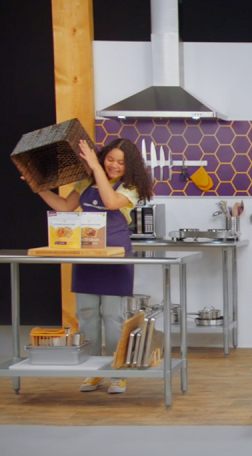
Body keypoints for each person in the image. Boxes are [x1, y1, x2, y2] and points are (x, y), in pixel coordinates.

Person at [37, 138, 153, 394]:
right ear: (103, 157)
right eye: (110, 159)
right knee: (87, 314)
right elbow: (65, 207)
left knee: (113, 317)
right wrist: (39, 187)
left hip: (115, 255)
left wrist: (96, 167)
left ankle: (117, 371)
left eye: (121, 162)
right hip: (88, 253)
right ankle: (93, 371)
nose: (114, 165)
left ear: (130, 166)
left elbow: (110, 202)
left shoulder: (130, 187)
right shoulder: (86, 182)